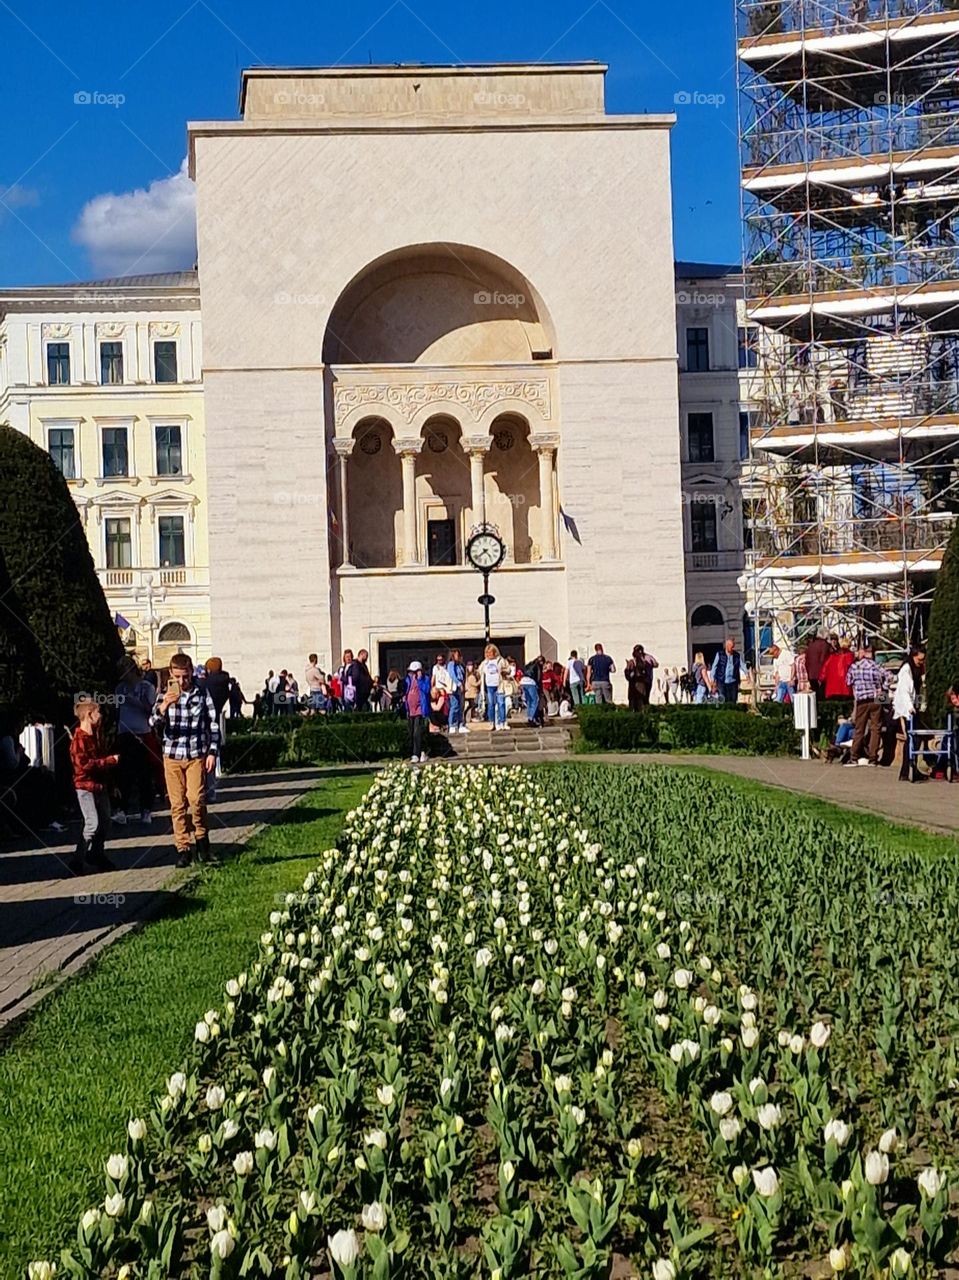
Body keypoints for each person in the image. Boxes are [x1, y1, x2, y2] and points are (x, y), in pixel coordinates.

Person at [151, 654, 220, 866]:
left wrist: (212, 752)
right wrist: (163, 709)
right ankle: (183, 849)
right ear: (171, 674)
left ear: (192, 672)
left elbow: (213, 724)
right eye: (178, 677)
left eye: (186, 676)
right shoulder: (165, 694)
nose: (182, 682)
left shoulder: (201, 693)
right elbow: (152, 723)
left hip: (195, 755)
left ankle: (202, 842)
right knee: (177, 804)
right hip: (172, 756)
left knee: (196, 799)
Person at [68, 695, 120, 874]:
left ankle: (97, 854)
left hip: (100, 786)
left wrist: (111, 785)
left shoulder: (96, 735)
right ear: (89, 714)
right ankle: (77, 859)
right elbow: (84, 765)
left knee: (105, 822)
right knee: (92, 823)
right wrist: (109, 761)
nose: (101, 715)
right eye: (98, 712)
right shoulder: (78, 740)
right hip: (85, 787)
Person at [114, 656, 157, 825]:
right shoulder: (120, 688)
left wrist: (135, 701)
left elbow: (151, 710)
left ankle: (146, 809)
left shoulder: (146, 687)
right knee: (124, 773)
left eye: (124, 670)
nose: (122, 675)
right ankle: (122, 809)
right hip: (124, 732)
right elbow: (117, 709)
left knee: (144, 774)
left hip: (142, 732)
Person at [844, 645, 890, 768]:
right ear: (873, 654)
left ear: (862, 653)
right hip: (877, 698)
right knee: (876, 728)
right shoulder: (877, 666)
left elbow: (848, 682)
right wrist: (883, 688)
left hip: (861, 700)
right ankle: (873, 758)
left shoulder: (854, 667)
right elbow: (890, 677)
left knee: (859, 728)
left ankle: (854, 757)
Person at [893, 646, 925, 781]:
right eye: (920, 659)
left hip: (913, 707)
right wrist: (910, 707)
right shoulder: (906, 670)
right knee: (912, 739)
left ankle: (909, 769)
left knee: (914, 739)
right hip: (907, 710)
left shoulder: (915, 669)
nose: (921, 662)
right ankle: (907, 770)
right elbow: (905, 692)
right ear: (913, 656)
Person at [404, 660, 431, 763]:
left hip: (420, 709)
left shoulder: (425, 679)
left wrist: (419, 680)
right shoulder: (408, 680)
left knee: (417, 732)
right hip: (410, 709)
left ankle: (416, 754)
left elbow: (427, 690)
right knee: (411, 732)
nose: (412, 674)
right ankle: (418, 751)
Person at [482, 644, 509, 730]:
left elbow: (508, 669)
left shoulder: (500, 660)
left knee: (501, 703)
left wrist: (504, 672)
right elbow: (479, 671)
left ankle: (502, 722)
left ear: (495, 652)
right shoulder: (485, 662)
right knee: (491, 704)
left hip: (499, 685)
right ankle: (492, 722)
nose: (489, 654)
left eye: (490, 652)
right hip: (489, 686)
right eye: (487, 653)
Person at [711, 638, 745, 704]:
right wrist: (712, 679)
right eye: (730, 646)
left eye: (732, 647)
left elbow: (742, 665)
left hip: (733, 681)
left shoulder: (737, 655)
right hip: (721, 680)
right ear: (726, 646)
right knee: (723, 700)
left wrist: (747, 673)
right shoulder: (719, 654)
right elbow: (714, 667)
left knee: (733, 700)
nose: (731, 648)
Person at [804, 627, 833, 698]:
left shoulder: (811, 645)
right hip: (821, 675)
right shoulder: (824, 645)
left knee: (815, 696)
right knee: (822, 695)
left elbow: (806, 661)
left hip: (811, 674)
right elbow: (824, 660)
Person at [624, 645, 655, 711]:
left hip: (635, 684)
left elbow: (627, 673)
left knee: (634, 703)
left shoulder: (633, 662)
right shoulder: (645, 661)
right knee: (641, 702)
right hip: (641, 684)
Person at [521, 654, 544, 726]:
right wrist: (539, 688)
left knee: (529, 701)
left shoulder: (530, 664)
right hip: (531, 682)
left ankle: (529, 716)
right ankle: (531, 718)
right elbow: (538, 678)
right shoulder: (538, 666)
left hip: (523, 681)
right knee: (535, 700)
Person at [447, 648, 467, 735]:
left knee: (461, 706)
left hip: (461, 687)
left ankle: (461, 723)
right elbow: (452, 675)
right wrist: (459, 683)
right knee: (454, 706)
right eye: (457, 655)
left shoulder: (459, 665)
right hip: (455, 687)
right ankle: (452, 724)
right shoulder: (451, 664)